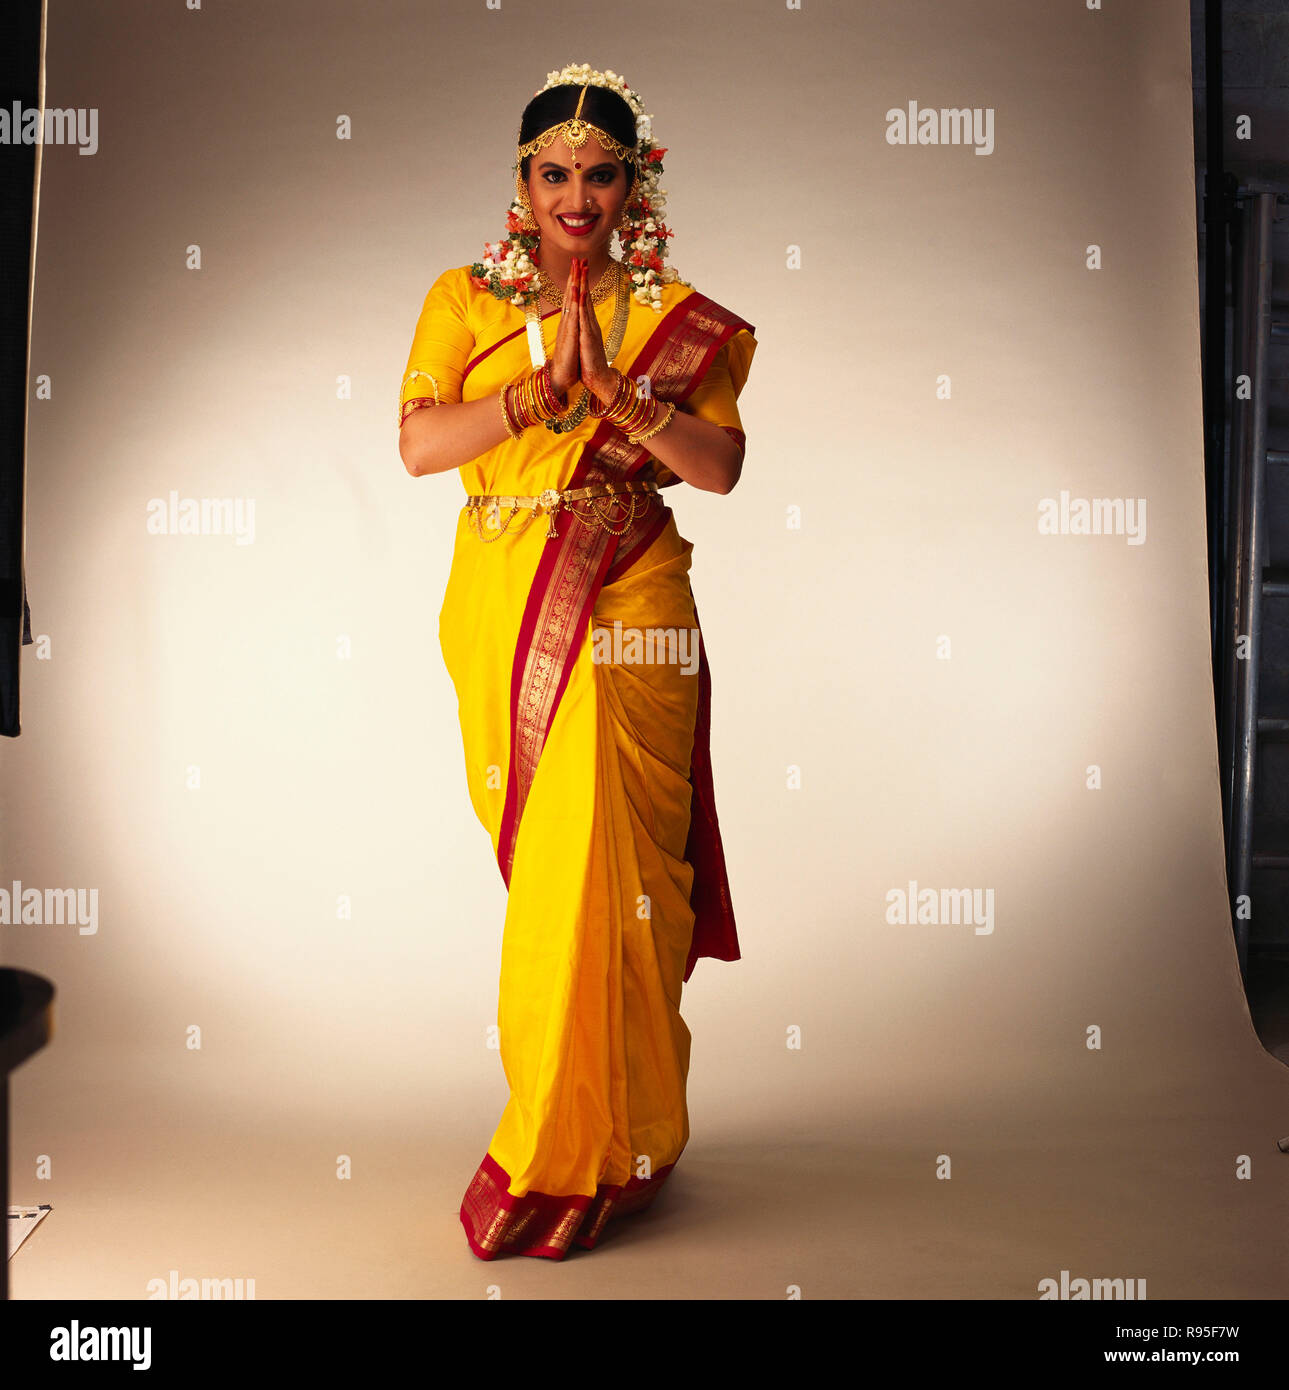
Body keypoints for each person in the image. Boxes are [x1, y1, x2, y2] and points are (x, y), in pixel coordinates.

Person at [398, 62, 756, 1261]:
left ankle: (591, 1146)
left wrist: (618, 396)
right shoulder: (464, 300)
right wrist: (534, 401)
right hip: (506, 596)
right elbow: (417, 447)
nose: (575, 198)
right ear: (521, 182)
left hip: (631, 595)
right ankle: (586, 1124)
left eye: (600, 175)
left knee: (608, 872)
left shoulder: (676, 314)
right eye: (553, 173)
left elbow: (719, 469)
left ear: (634, 184)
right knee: (556, 874)